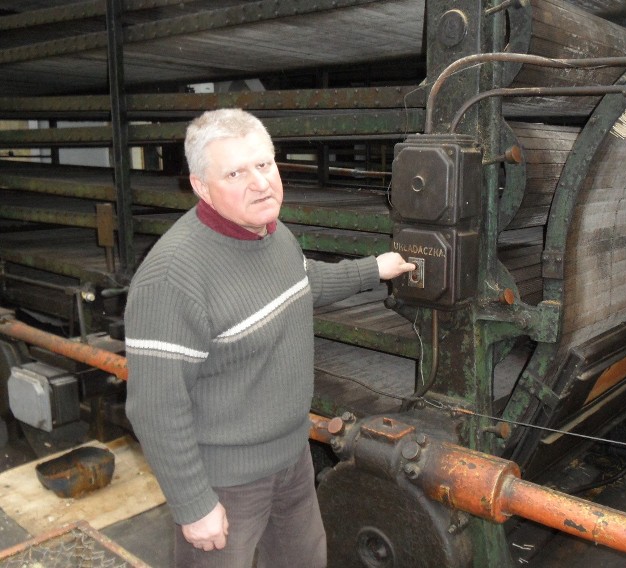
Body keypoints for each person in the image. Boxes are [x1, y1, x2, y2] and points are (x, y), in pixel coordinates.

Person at [124, 108, 415, 567]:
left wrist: (373, 269)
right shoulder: (172, 279)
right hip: (225, 482)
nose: (260, 183)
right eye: (236, 172)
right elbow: (155, 406)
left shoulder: (272, 235)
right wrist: (193, 503)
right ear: (201, 186)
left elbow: (301, 283)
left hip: (293, 462)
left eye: (265, 164)